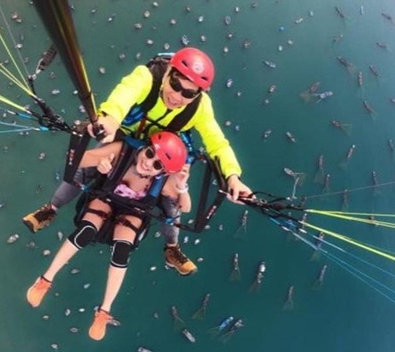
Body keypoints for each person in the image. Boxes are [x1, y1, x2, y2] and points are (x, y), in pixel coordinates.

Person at [23, 47, 253, 275]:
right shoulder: (146, 78)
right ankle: (51, 208)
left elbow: (217, 143)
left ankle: (172, 247)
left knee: (173, 196)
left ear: (199, 93)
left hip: (162, 149)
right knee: (87, 166)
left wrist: (232, 176)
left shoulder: (200, 107)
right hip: (127, 136)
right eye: (175, 85)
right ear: (168, 72)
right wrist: (110, 121)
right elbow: (122, 98)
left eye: (188, 93)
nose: (177, 96)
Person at [26, 132, 190, 340]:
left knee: (122, 251)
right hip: (105, 198)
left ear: (163, 171)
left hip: (132, 213)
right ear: (145, 147)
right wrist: (100, 161)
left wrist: (182, 185)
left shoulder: (163, 182)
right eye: (149, 154)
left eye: (157, 165)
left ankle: (104, 311)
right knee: (85, 232)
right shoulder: (122, 152)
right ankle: (45, 279)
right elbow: (80, 160)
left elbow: (182, 207)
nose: (148, 164)